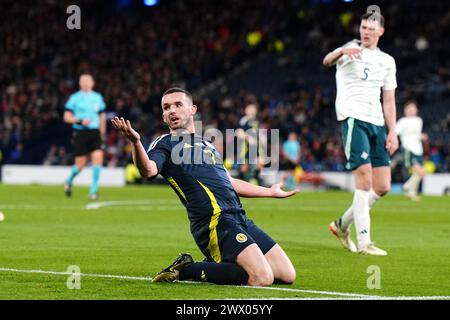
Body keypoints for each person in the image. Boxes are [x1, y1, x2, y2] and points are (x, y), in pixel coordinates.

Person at [112, 88, 298, 286]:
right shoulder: (164, 144)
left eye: (178, 105)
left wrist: (270, 192)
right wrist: (136, 142)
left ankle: (219, 264)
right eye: (166, 107)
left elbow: (231, 183)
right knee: (261, 278)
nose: (172, 111)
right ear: (163, 116)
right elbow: (148, 171)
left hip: (239, 218)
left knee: (286, 275)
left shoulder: (208, 145)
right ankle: (186, 269)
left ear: (192, 110)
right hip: (214, 222)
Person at [323, 11, 398, 256]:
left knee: (383, 185)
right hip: (354, 119)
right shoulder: (348, 50)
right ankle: (365, 242)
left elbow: (388, 100)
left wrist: (392, 131)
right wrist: (342, 51)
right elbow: (326, 61)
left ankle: (342, 225)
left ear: (380, 32)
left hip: (377, 123)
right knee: (364, 181)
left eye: (370, 28)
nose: (365, 31)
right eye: (363, 26)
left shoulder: (387, 61)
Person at [63, 74, 106, 200]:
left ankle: (93, 191)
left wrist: (102, 133)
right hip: (80, 132)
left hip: (95, 132)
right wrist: (79, 121)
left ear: (93, 83)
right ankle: (69, 180)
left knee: (97, 159)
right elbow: (66, 117)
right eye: (83, 81)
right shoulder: (74, 98)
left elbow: (102, 116)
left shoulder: (98, 97)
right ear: (80, 83)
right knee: (80, 165)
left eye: (88, 81)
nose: (86, 83)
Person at [396, 101, 426, 201]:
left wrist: (421, 136)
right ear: (405, 110)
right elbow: (396, 132)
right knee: (419, 171)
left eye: (413, 108)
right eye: (409, 109)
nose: (411, 111)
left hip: (418, 149)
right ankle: (408, 186)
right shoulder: (402, 121)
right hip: (408, 148)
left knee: (419, 173)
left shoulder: (419, 120)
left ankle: (410, 190)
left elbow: (417, 134)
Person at [236, 104, 261, 185]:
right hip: (245, 146)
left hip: (255, 146)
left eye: (253, 109)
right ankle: (240, 183)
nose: (252, 111)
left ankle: (255, 180)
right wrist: (248, 138)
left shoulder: (256, 121)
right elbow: (239, 131)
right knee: (244, 166)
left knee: (258, 163)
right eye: (250, 109)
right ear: (246, 111)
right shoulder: (244, 120)